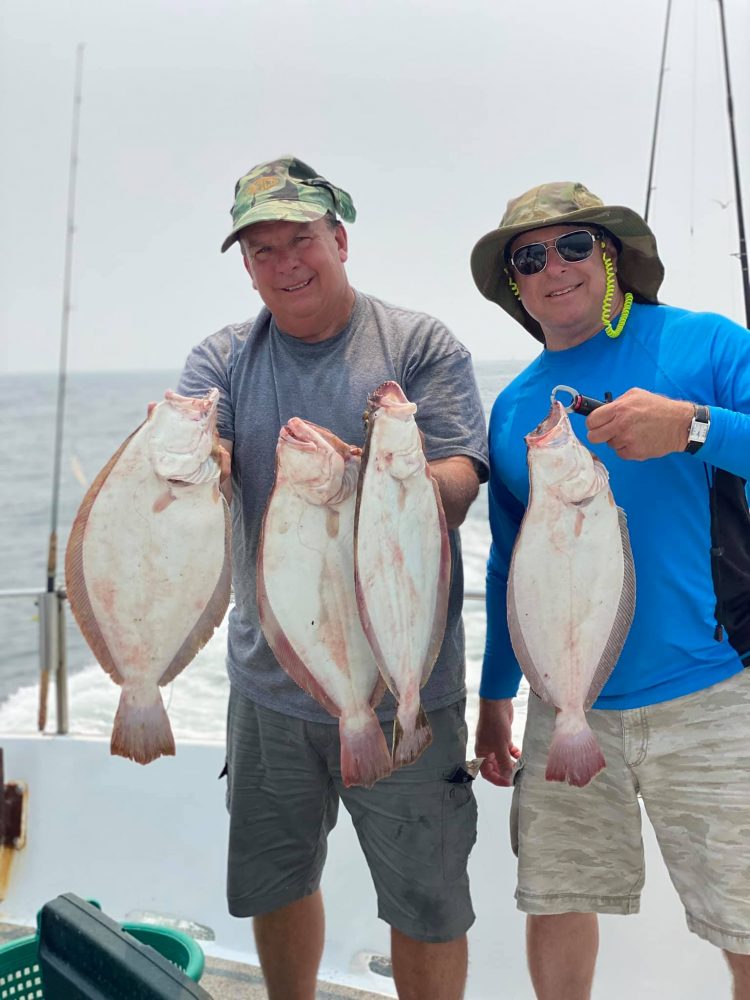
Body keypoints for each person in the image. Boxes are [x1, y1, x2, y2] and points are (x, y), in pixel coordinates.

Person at [177, 155, 489, 1000]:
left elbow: (463, 471)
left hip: (405, 679)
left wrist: (401, 486)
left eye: (300, 240)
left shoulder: (418, 345)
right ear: (246, 266)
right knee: (277, 882)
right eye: (261, 250)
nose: (285, 264)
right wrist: (186, 462)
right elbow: (207, 452)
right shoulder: (222, 358)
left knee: (427, 899)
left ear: (339, 238)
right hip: (271, 687)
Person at [470, 181, 750, 999]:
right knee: (556, 902)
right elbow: (507, 565)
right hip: (565, 703)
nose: (553, 267)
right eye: (529, 258)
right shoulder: (517, 404)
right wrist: (494, 698)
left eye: (573, 246)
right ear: (515, 287)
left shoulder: (705, 344)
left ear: (612, 254)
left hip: (712, 690)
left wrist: (692, 426)